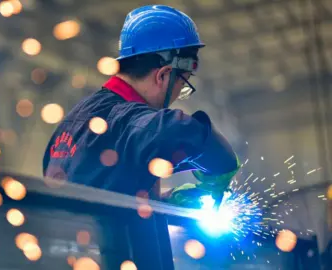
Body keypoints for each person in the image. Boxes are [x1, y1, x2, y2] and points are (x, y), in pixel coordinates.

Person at [43, 5, 239, 209]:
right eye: (183, 83)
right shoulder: (129, 122)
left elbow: (103, 191)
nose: (178, 95)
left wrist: (156, 203)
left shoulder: (69, 125)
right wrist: (217, 177)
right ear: (163, 75)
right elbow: (181, 131)